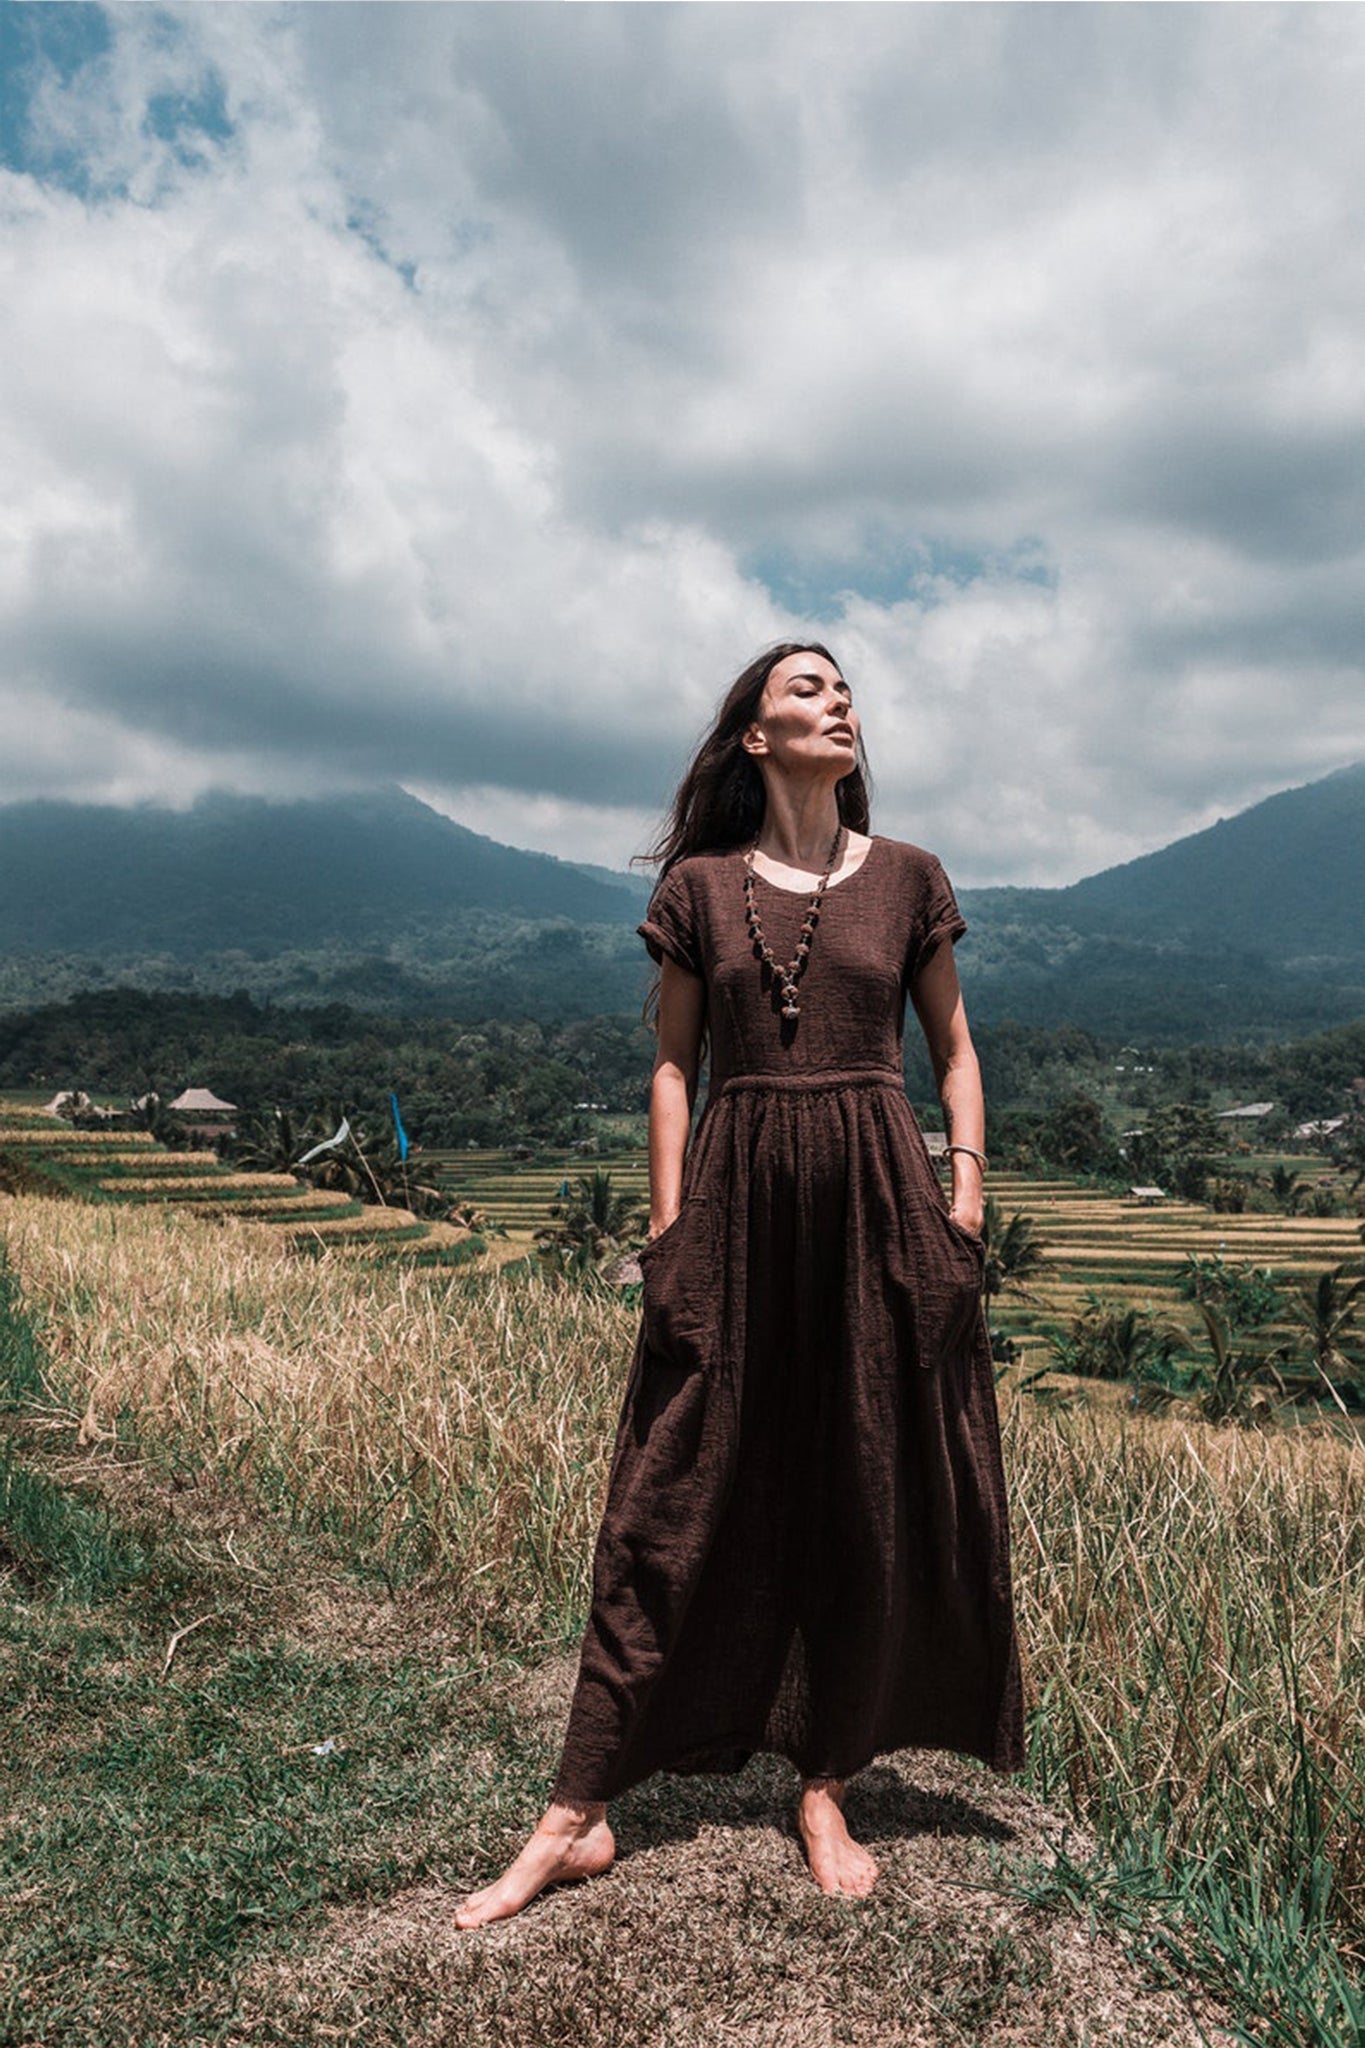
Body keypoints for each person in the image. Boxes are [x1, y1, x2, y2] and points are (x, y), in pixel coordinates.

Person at [455, 642, 1024, 1928]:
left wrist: (964, 1203)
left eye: (844, 688)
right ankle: (575, 1809)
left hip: (880, 1206)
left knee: (861, 1485)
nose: (839, 700)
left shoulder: (912, 877)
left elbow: (956, 1050)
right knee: (664, 1490)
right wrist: (670, 1231)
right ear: (754, 736)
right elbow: (672, 1068)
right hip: (738, 1199)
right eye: (807, 688)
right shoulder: (701, 890)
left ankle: (825, 1777)